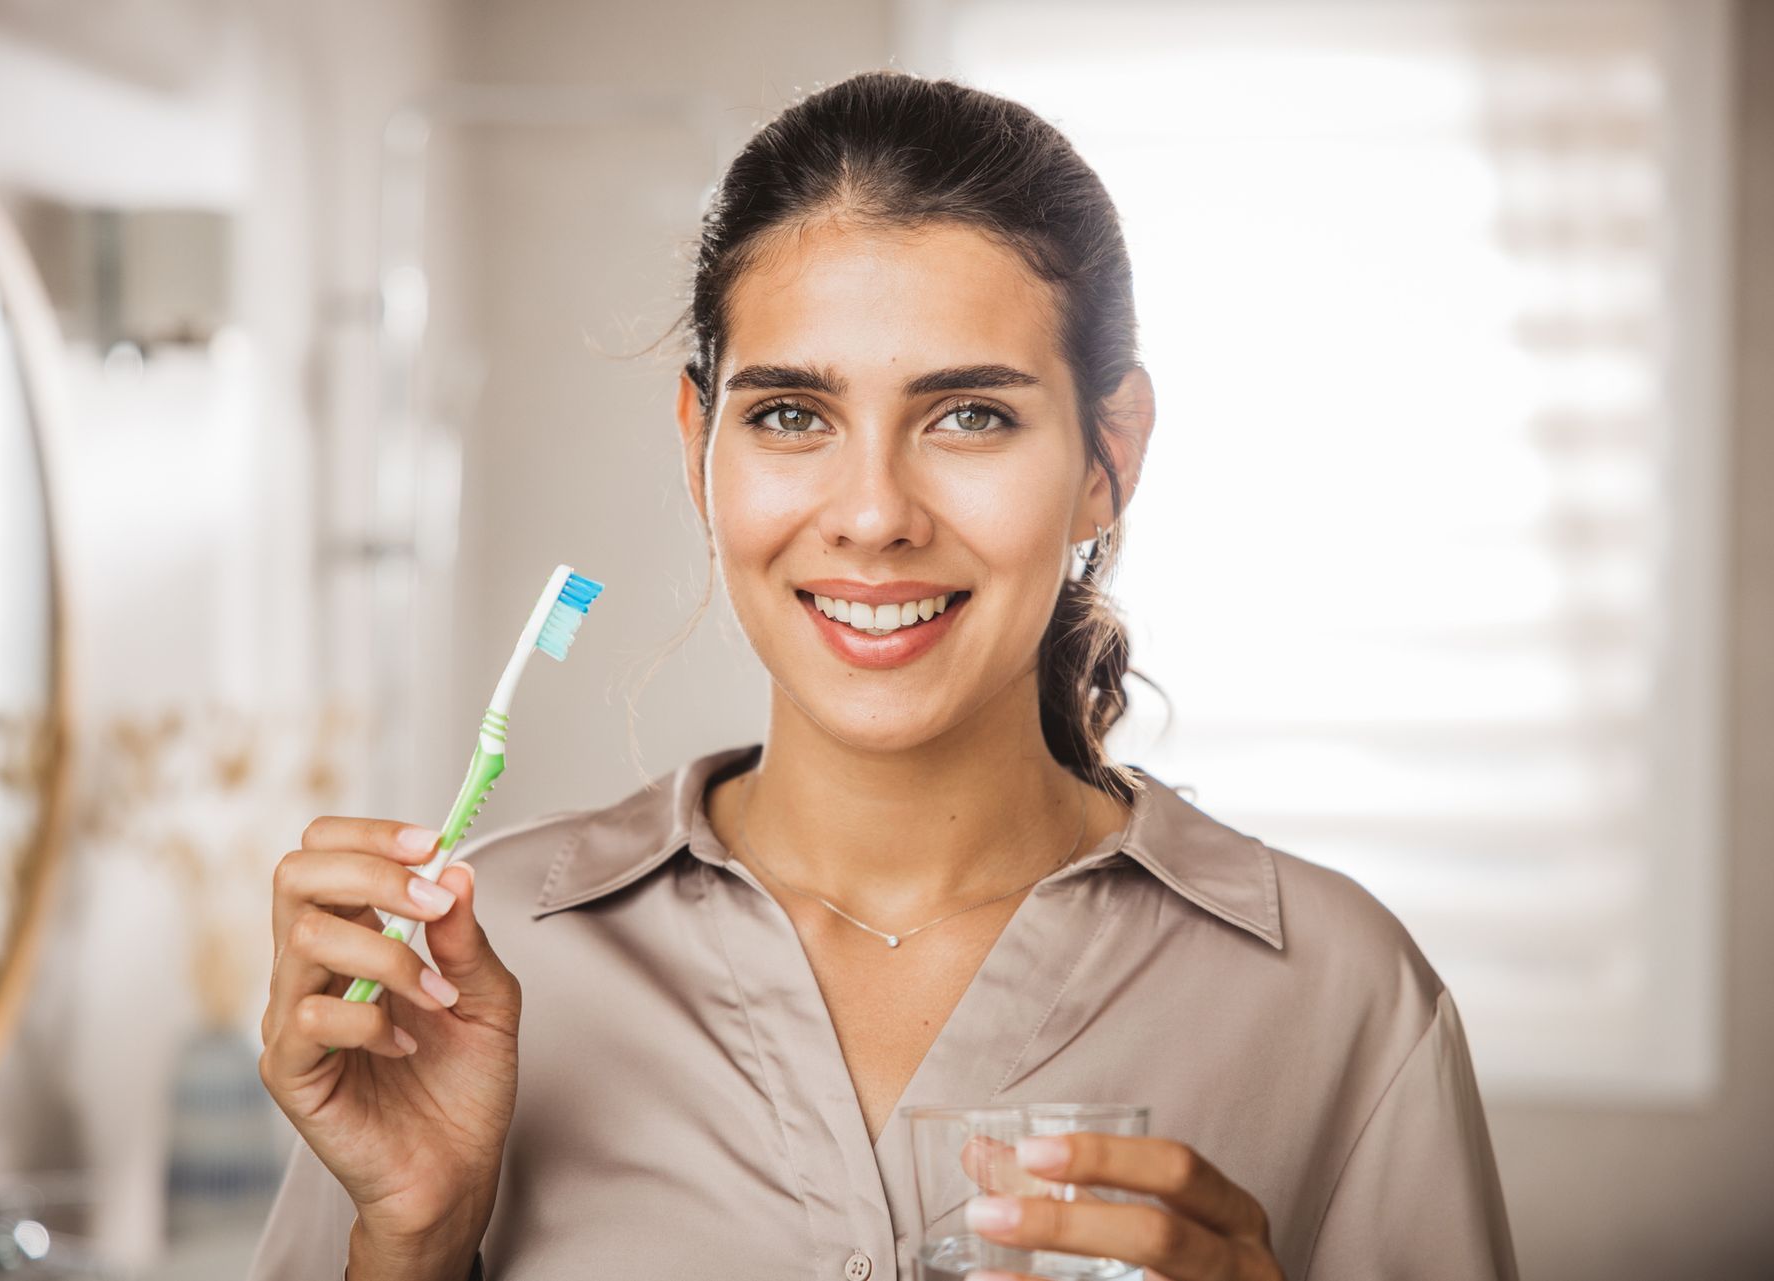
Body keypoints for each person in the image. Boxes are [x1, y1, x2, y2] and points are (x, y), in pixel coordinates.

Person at [249, 69, 1518, 1281]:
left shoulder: (1339, 996)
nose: (872, 516)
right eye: (792, 415)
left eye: (970, 415)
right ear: (701, 444)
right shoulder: (464, 970)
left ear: (1106, 452)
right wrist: (407, 1246)